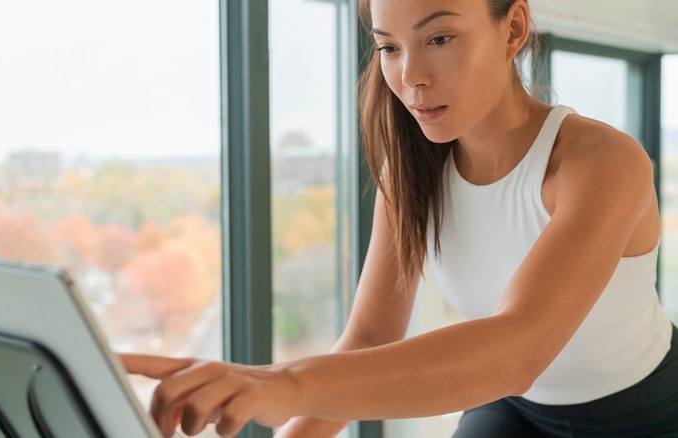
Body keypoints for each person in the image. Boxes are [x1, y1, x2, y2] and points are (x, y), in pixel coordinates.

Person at [122, 0, 678, 437]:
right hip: (516, 413)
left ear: (513, 30)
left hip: (645, 413)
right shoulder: (411, 171)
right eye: (389, 47)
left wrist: (284, 385)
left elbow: (517, 350)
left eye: (439, 38)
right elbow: (369, 336)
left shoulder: (602, 163)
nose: (411, 76)